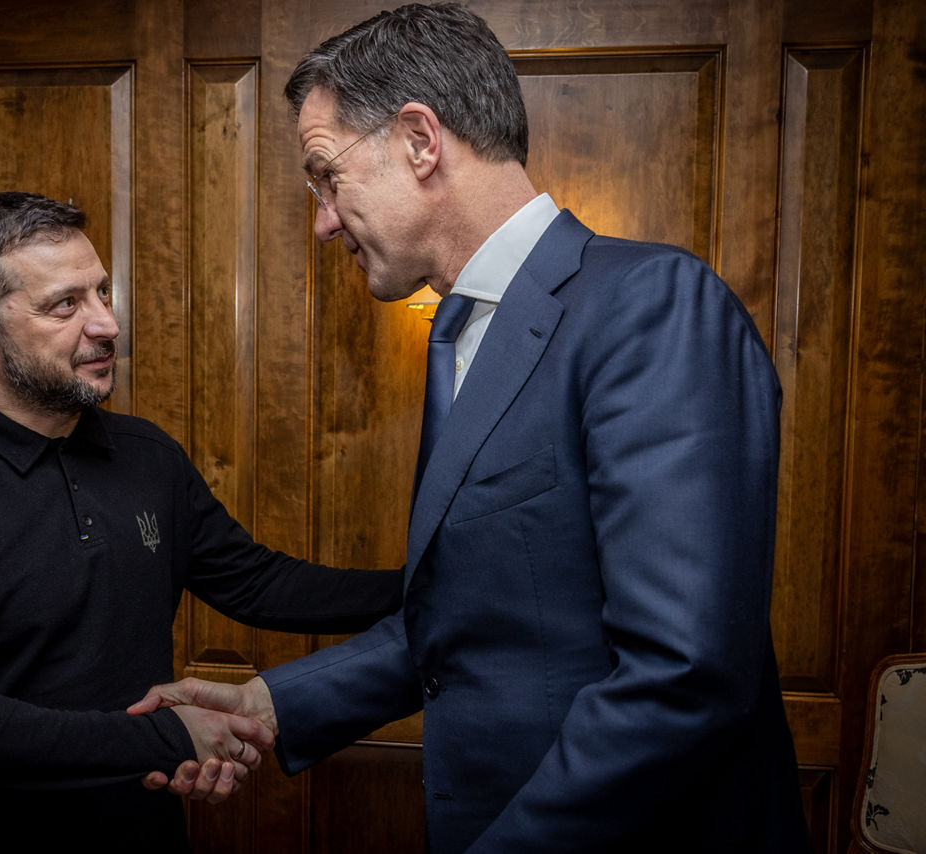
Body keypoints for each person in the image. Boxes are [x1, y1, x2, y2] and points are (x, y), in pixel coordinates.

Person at [129, 5, 812, 852]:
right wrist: (267, 705)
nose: (324, 219)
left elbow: (683, 675)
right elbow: (472, 620)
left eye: (327, 176)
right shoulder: (460, 334)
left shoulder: (649, 305)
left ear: (421, 140)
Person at [0, 191, 401, 852]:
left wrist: (431, 583)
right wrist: (165, 737)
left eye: (102, 292)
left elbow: (255, 582)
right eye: (65, 304)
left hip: (144, 830)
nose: (106, 324)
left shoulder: (146, 455)